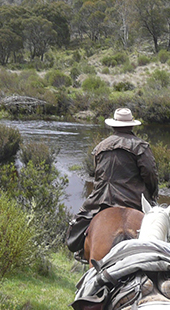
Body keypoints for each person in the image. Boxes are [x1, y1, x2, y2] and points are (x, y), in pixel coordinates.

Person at [66, 108, 158, 260]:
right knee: (161, 225)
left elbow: (98, 175)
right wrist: (152, 194)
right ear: (132, 125)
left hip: (102, 198)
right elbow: (150, 174)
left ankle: (81, 251)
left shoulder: (100, 147)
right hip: (134, 199)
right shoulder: (141, 147)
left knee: (80, 221)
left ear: (114, 126)